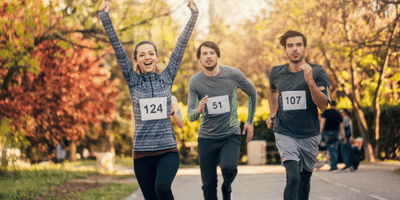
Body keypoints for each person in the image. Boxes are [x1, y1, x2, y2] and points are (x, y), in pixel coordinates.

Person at [98, 1, 198, 199]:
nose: (147, 57)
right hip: (142, 154)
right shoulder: (133, 81)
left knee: (162, 188)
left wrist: (193, 15)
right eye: (141, 55)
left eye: (151, 53)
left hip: (167, 151)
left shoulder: (167, 77)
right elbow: (117, 47)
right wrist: (105, 17)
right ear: (135, 60)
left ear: (157, 57)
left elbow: (180, 45)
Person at [187, 41, 257, 200]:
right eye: (204, 54)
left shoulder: (233, 74)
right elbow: (191, 116)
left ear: (218, 55)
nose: (208, 56)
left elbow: (252, 93)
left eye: (212, 52)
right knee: (208, 185)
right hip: (206, 138)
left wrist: (250, 121)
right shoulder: (195, 82)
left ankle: (227, 187)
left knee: (229, 168)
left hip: (230, 134)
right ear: (199, 59)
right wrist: (198, 110)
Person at [265, 30, 330, 200]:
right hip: (284, 131)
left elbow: (323, 106)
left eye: (298, 45)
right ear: (285, 50)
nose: (295, 49)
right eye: (290, 46)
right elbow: (271, 91)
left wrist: (310, 81)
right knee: (293, 176)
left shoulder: (317, 72)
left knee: (304, 180)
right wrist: (272, 113)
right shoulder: (276, 72)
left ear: (305, 48)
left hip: (310, 134)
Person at [320, 100, 345, 172]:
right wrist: (343, 136)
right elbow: (341, 126)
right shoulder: (338, 114)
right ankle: (334, 165)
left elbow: (322, 122)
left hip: (327, 132)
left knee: (330, 149)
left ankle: (333, 166)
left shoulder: (326, 112)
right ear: (336, 106)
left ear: (329, 105)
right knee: (335, 149)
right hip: (336, 132)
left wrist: (320, 131)